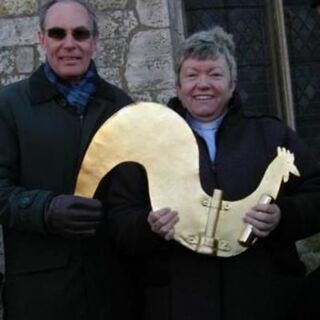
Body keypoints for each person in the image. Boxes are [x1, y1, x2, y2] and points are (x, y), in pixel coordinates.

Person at [104, 27, 320, 320]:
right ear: (178, 87)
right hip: (177, 304)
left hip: (262, 301)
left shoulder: (271, 135)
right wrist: (147, 225)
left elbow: (316, 193)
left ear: (232, 84)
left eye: (215, 74)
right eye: (192, 75)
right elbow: (118, 218)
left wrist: (284, 215)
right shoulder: (148, 145)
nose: (202, 84)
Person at [0, 1, 132, 319]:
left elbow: (134, 191)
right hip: (41, 294)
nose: (69, 44)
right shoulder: (9, 105)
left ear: (95, 42)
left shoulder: (121, 106)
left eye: (80, 34)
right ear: (42, 39)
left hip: (111, 290)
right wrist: (46, 209)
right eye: (58, 33)